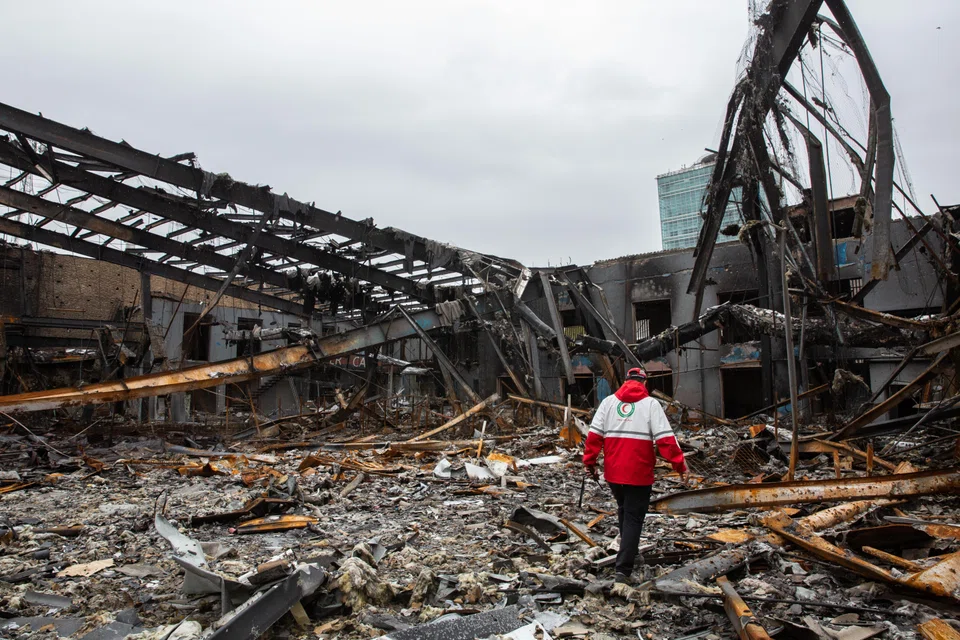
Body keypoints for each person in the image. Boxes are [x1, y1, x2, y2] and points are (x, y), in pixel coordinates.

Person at [583, 368, 688, 584]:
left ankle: (631, 552)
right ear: (644, 382)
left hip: (613, 474)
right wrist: (680, 466)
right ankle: (623, 570)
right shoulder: (651, 405)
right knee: (633, 517)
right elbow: (665, 440)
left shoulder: (608, 403)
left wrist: (590, 463)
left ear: (626, 380)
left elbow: (593, 437)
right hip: (638, 474)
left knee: (624, 511)